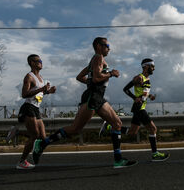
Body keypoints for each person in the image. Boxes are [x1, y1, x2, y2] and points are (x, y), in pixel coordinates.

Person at [33, 37, 137, 168]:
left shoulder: (94, 61)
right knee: (75, 129)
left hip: (98, 97)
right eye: (107, 45)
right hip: (92, 97)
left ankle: (118, 160)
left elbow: (80, 77)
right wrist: (111, 74)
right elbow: (97, 77)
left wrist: (92, 81)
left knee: (117, 123)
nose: (109, 48)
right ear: (98, 46)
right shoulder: (98, 57)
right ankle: (42, 143)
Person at [99, 58, 169, 161]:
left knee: (132, 132)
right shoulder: (138, 78)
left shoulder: (147, 79)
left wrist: (150, 97)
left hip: (140, 108)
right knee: (153, 129)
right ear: (145, 66)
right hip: (139, 108)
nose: (154, 68)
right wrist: (134, 98)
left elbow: (143, 92)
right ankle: (155, 154)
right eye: (152, 66)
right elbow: (125, 89)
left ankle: (109, 126)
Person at [16, 54, 56, 169]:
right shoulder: (29, 77)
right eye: (38, 61)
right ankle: (21, 162)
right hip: (28, 107)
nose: (41, 62)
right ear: (32, 63)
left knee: (43, 137)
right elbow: (24, 94)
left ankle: (17, 132)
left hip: (36, 108)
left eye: (41, 60)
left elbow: (39, 93)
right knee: (34, 136)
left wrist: (49, 92)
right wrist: (42, 89)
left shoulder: (41, 78)